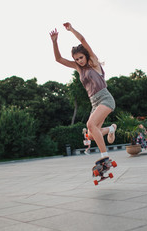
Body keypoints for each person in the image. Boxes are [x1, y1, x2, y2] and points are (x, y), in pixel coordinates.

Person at [49, 22, 117, 163]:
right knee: (92, 134)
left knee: (89, 124)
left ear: (85, 55)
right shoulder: (78, 68)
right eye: (76, 59)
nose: (79, 61)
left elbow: (83, 41)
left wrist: (71, 29)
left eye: (81, 57)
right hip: (94, 102)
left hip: (105, 98)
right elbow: (58, 59)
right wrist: (55, 42)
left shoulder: (93, 62)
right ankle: (111, 128)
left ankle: (105, 158)